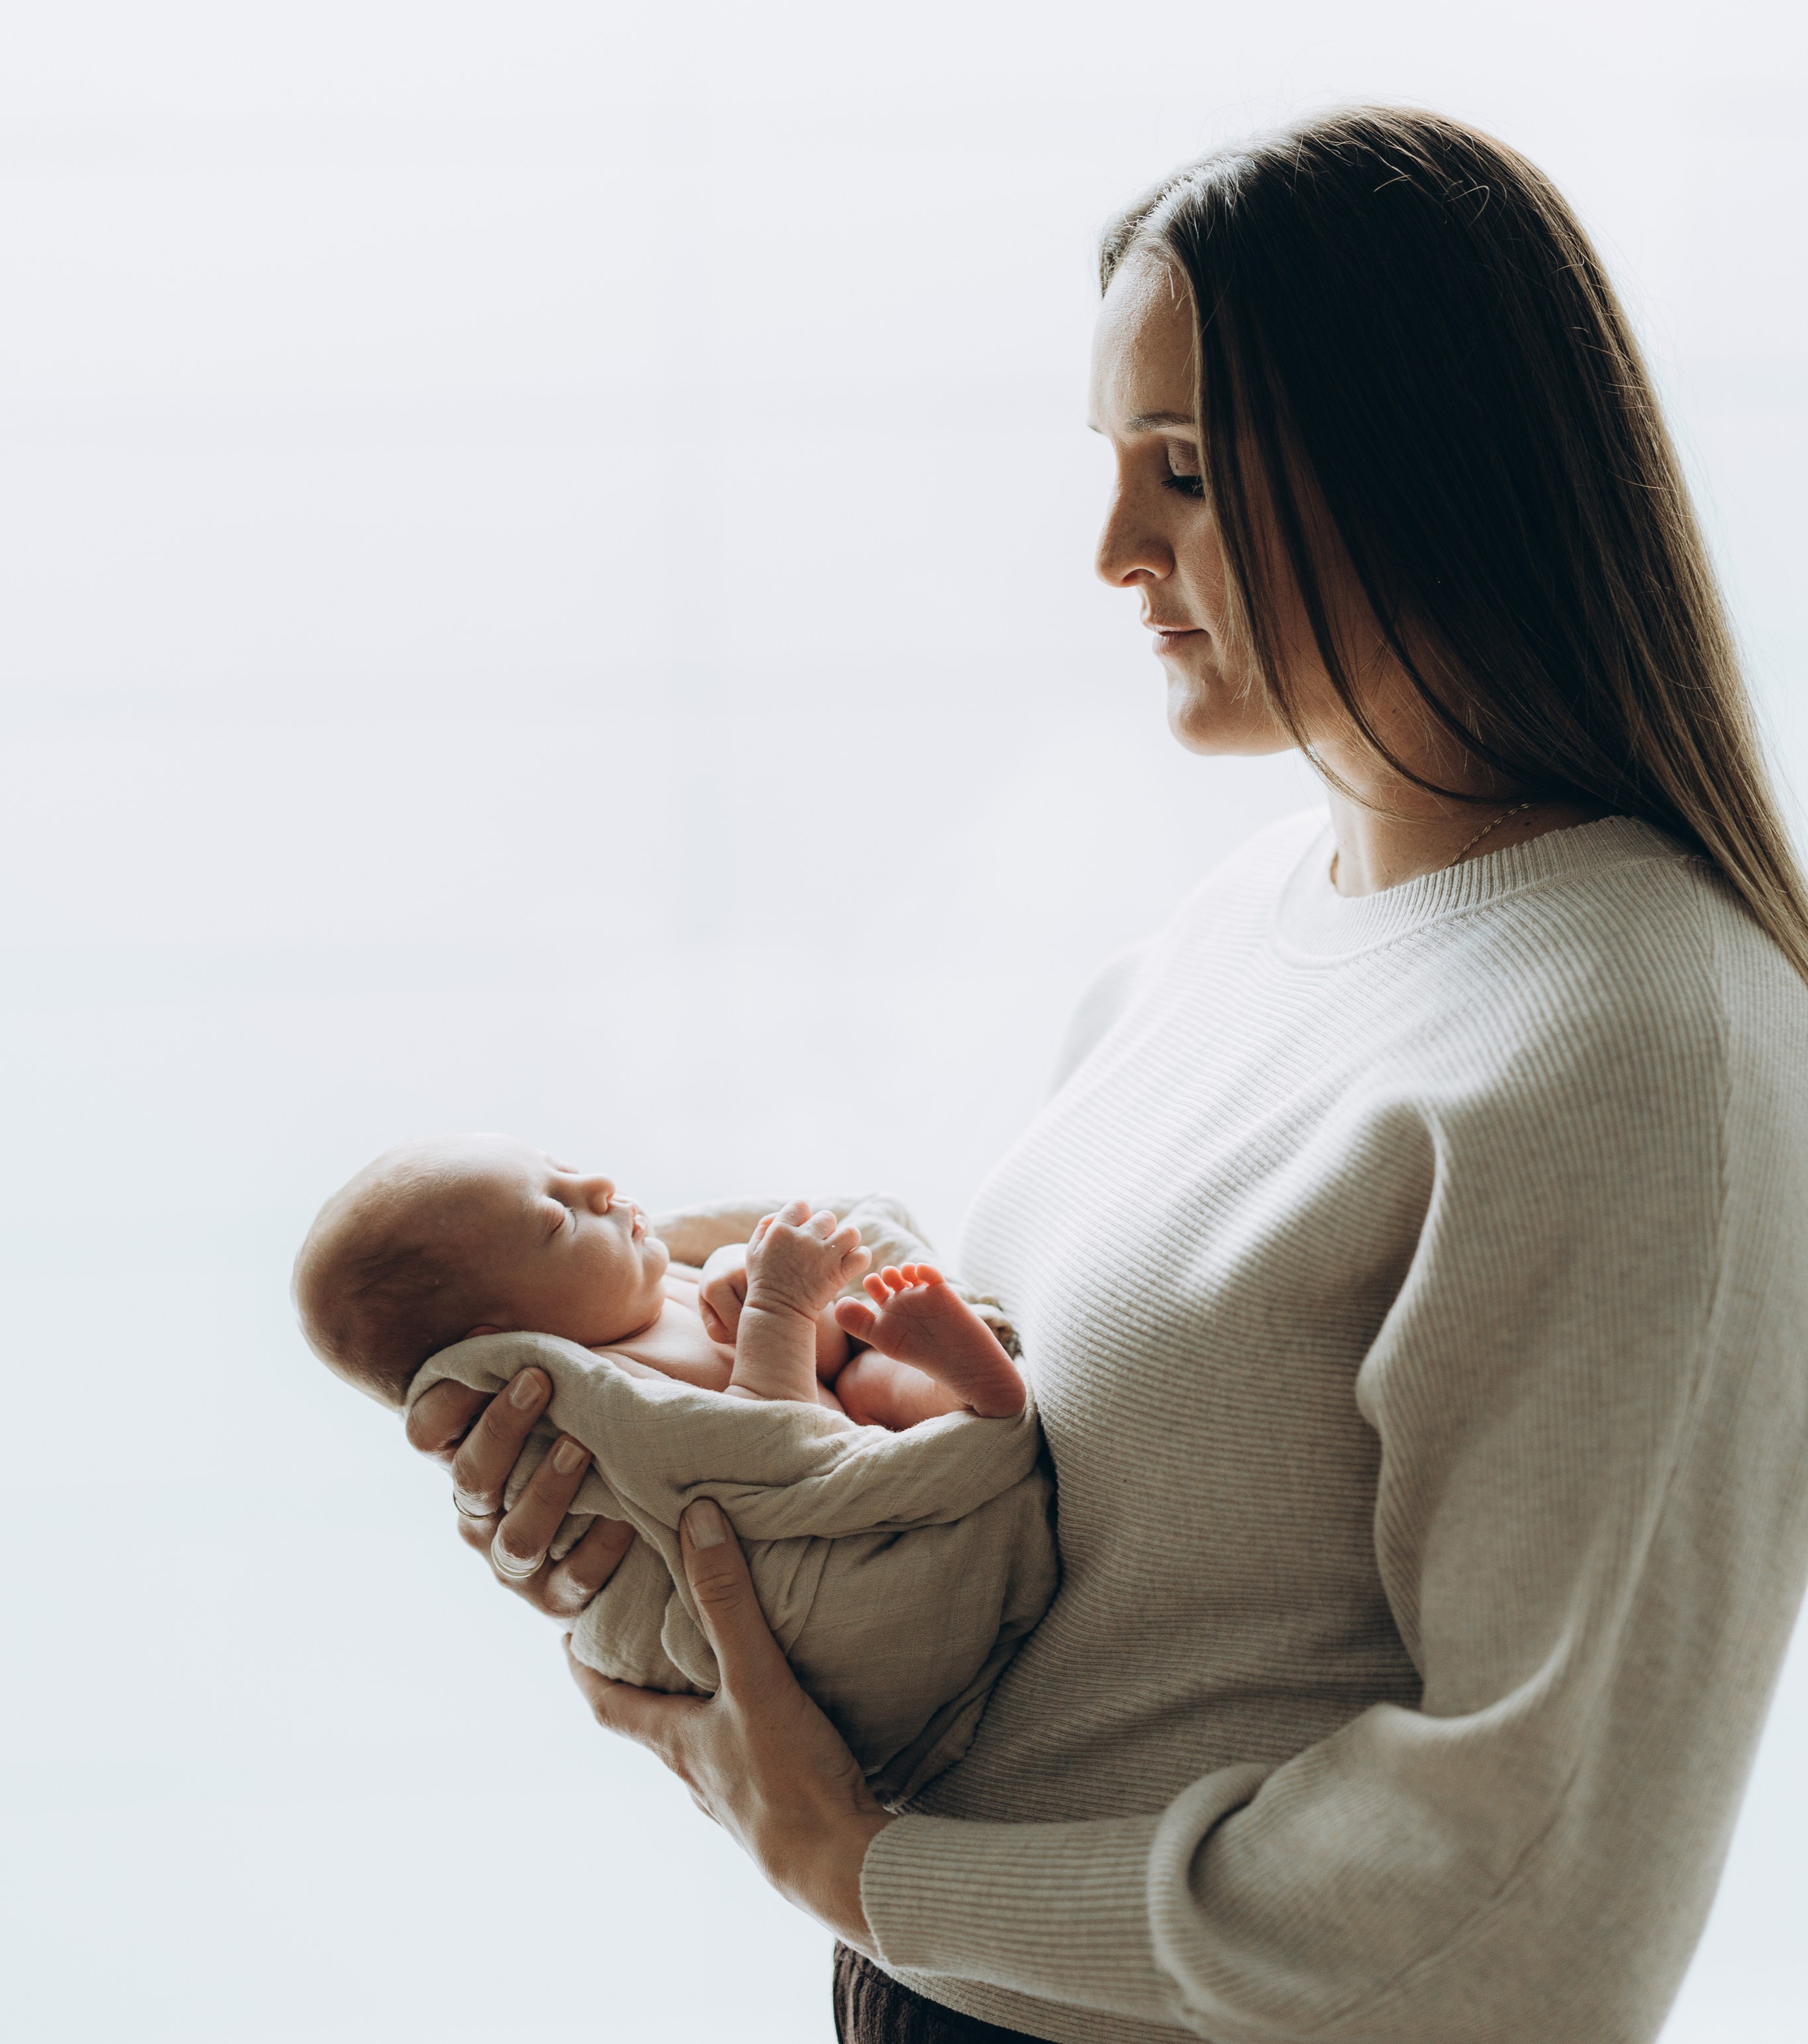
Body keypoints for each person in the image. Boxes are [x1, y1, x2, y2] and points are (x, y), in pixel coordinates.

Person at [407, 107, 1808, 2044]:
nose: (1112, 551)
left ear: (1430, 473)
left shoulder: (1642, 1049)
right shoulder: (1243, 925)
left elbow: (1535, 1910)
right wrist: (654, 1432)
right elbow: (1082, 1539)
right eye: (1115, 467)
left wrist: (882, 1874)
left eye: (1185, 473)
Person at [295, 1134, 1027, 1421]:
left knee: (872, 1377)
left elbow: (818, 1362)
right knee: (866, 1398)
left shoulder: (644, 1290)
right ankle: (984, 1396)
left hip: (845, 1402)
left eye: (567, 1172)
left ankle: (959, 1367)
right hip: (830, 1459)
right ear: (508, 1340)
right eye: (557, 1219)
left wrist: (742, 1275)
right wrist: (775, 1309)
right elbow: (760, 1442)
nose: (601, 1188)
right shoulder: (598, 1385)